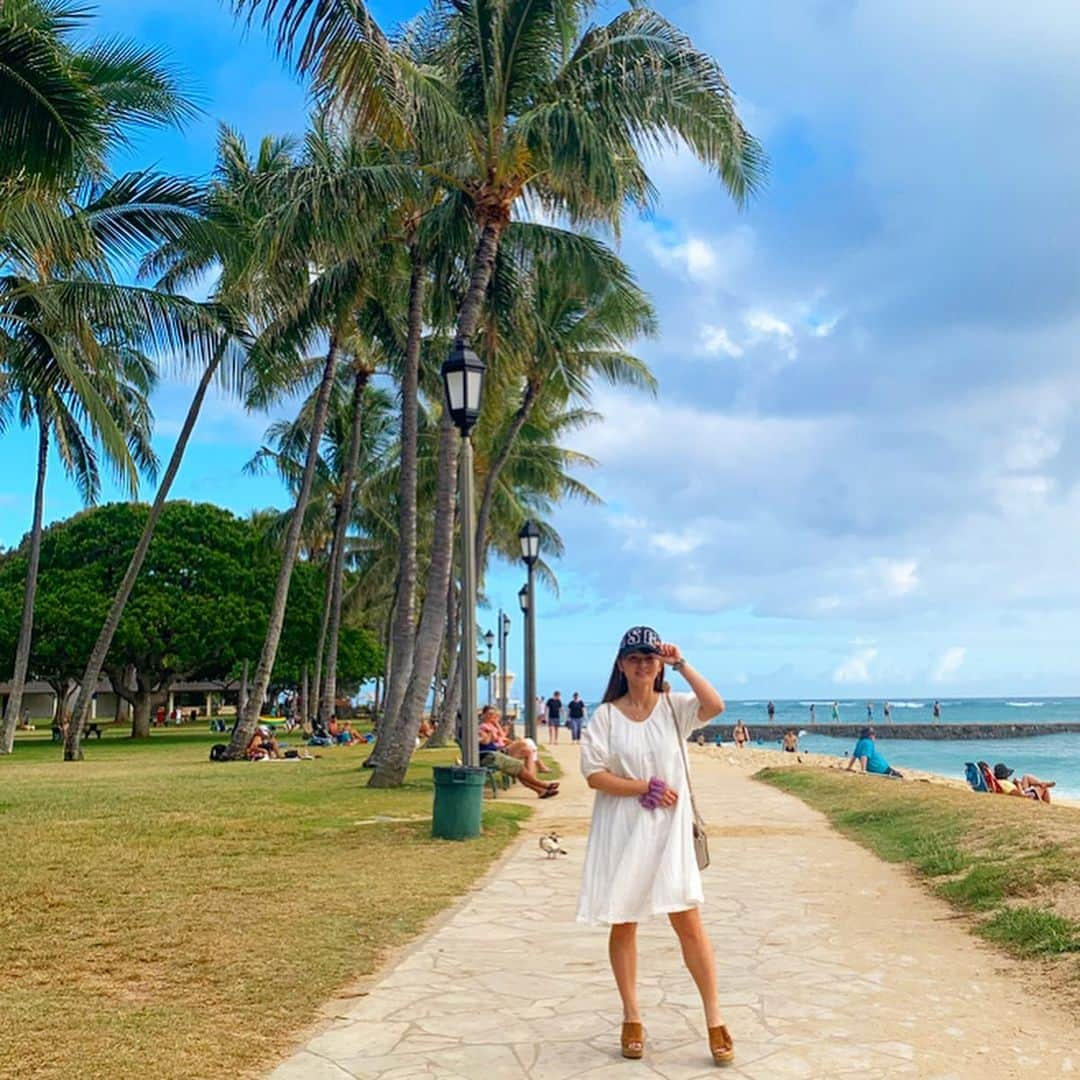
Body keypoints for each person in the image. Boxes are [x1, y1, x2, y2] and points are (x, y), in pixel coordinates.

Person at [577, 625, 733, 1065]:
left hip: (668, 836)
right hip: (623, 832)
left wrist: (682, 663)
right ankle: (632, 1016)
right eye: (634, 658)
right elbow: (593, 774)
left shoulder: (674, 707)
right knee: (624, 922)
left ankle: (714, 1019)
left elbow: (715, 705)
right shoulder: (606, 716)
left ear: (659, 663)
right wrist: (641, 787)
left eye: (650, 658)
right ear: (622, 665)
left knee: (689, 923)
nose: (643, 665)